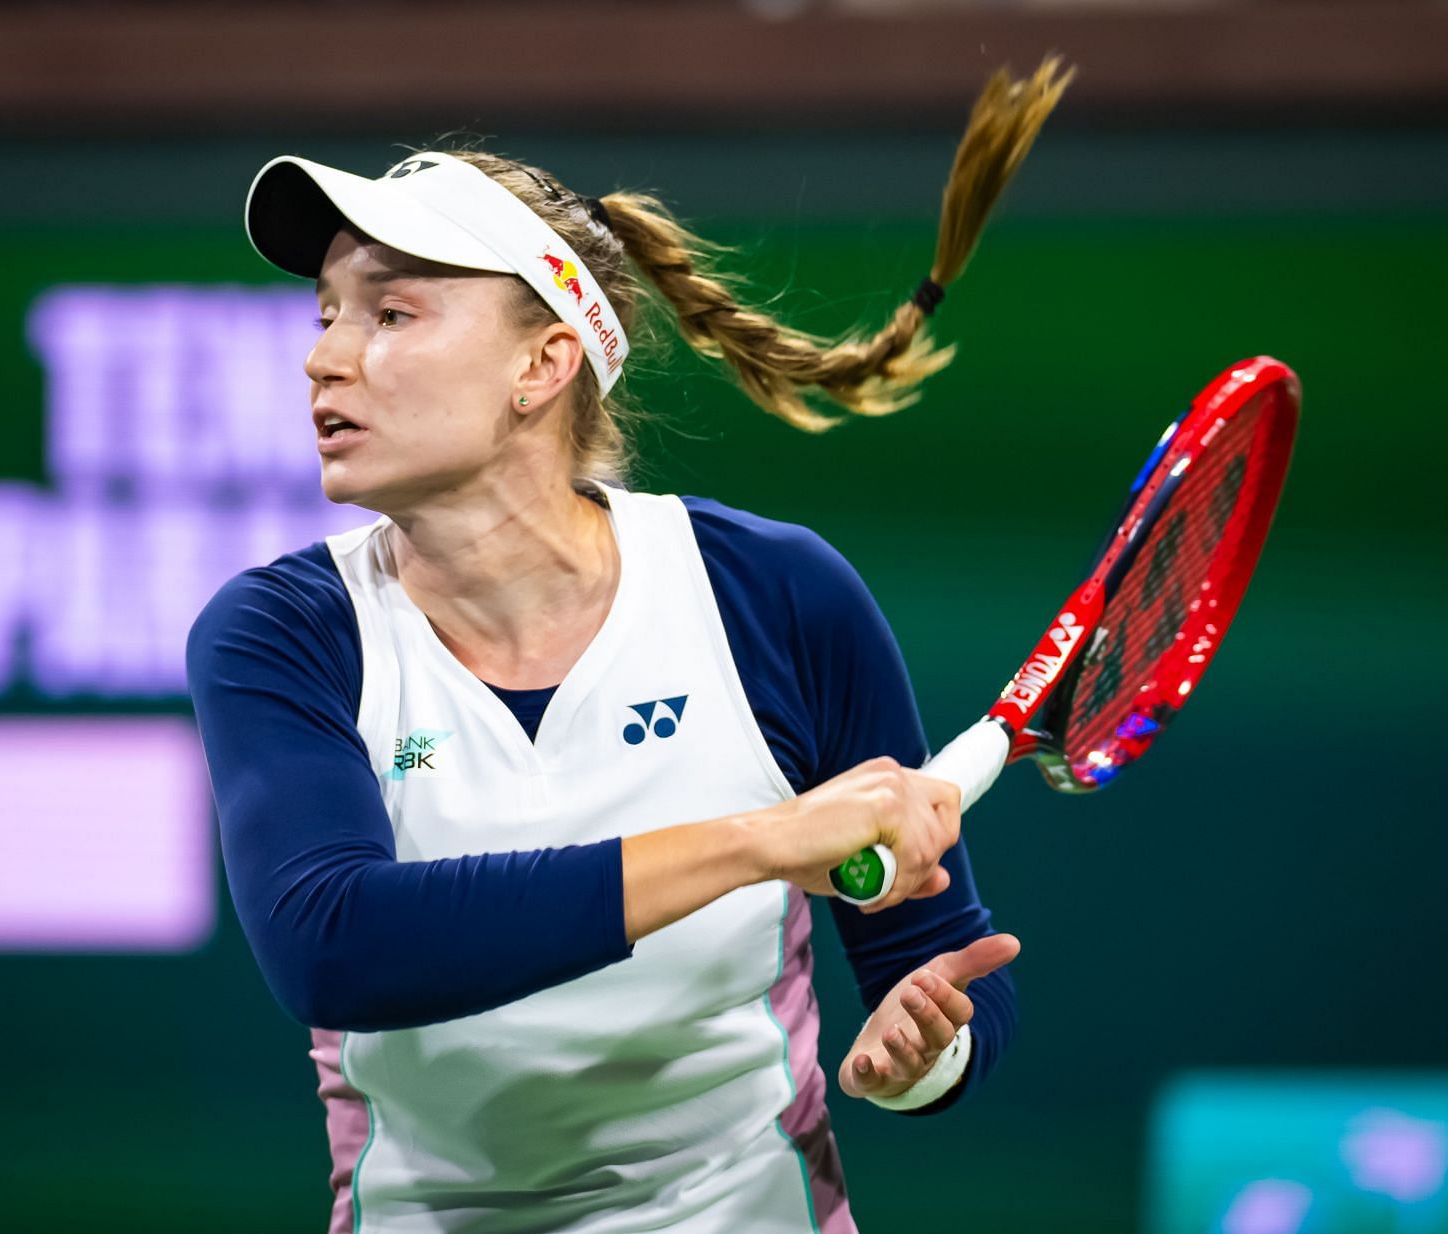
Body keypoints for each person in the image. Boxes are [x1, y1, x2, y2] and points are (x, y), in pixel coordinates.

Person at [186, 58, 1070, 1234]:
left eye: (392, 312)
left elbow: (947, 960)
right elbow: (334, 944)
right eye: (328, 314)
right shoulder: (282, 632)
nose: (326, 357)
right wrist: (764, 841)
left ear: (541, 364)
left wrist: (924, 1053)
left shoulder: (775, 595)